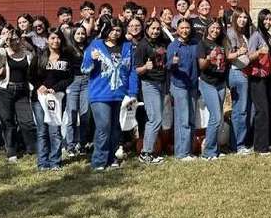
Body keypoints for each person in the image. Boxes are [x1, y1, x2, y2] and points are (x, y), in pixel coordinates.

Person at [82, 18, 138, 171]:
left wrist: (133, 92)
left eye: (118, 30)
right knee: (103, 127)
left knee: (115, 128)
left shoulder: (127, 46)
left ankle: (112, 158)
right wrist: (91, 59)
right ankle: (99, 161)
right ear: (106, 30)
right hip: (100, 94)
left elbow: (132, 70)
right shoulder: (95, 45)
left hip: (120, 94)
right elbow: (84, 69)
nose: (115, 33)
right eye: (112, 29)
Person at [0, 28, 39, 163]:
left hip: (22, 91)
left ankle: (31, 148)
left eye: (15, 39)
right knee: (8, 122)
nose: (13, 42)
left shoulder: (27, 54)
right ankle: (11, 151)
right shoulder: (3, 53)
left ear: (20, 39)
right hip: (5, 91)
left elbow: (33, 71)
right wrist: (2, 39)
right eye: (10, 39)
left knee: (27, 122)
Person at [34, 30, 73, 170]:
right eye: (52, 38)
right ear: (47, 40)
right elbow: (31, 75)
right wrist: (40, 86)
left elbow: (69, 78)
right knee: (42, 131)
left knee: (55, 130)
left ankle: (55, 162)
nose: (55, 41)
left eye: (58, 38)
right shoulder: (39, 56)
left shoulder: (67, 57)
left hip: (57, 98)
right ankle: (42, 163)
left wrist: (55, 88)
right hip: (39, 98)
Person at [134, 18, 169, 164]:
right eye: (152, 28)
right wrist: (145, 68)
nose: (155, 31)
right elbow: (136, 70)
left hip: (161, 83)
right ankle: (146, 152)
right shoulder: (142, 45)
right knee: (155, 119)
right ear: (147, 29)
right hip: (149, 84)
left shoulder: (162, 42)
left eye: (157, 29)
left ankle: (148, 152)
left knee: (156, 118)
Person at [166, 18, 201, 161]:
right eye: (182, 28)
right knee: (183, 119)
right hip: (179, 85)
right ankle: (181, 153)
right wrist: (173, 63)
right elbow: (168, 66)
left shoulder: (194, 44)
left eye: (187, 28)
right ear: (177, 29)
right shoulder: (173, 46)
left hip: (192, 85)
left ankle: (189, 150)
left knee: (191, 118)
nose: (185, 30)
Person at [197, 20, 229, 161]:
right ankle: (207, 152)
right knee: (216, 117)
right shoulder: (202, 44)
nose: (215, 30)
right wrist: (209, 58)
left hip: (220, 83)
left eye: (218, 28)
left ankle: (214, 149)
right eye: (213, 28)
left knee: (217, 118)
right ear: (207, 29)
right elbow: (202, 66)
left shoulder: (222, 44)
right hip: (207, 83)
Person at [246, 9, 271, 155]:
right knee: (261, 110)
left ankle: (268, 142)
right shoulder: (256, 35)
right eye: (265, 19)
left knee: (269, 108)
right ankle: (259, 146)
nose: (268, 22)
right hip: (257, 77)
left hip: (268, 77)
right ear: (260, 20)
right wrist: (259, 52)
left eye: (270, 19)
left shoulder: (268, 36)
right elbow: (248, 57)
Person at [225, 8, 254, 155]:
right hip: (236, 73)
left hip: (245, 72)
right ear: (234, 18)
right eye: (240, 17)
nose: (243, 20)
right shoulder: (231, 33)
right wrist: (240, 52)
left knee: (243, 110)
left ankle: (239, 143)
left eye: (245, 17)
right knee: (240, 111)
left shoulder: (243, 33)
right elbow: (227, 55)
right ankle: (238, 145)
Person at [62, 24, 92, 156]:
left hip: (87, 81)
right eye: (78, 33)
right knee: (72, 114)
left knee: (85, 115)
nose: (80, 36)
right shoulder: (68, 49)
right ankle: (70, 145)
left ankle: (83, 144)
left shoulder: (89, 48)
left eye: (83, 33)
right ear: (73, 35)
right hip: (73, 82)